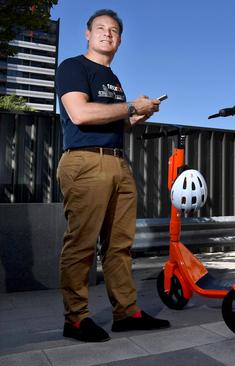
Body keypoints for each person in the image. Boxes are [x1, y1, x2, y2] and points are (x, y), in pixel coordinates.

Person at [55, 9, 169, 343]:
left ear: (120, 40)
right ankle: (75, 319)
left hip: (117, 162)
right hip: (85, 162)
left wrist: (139, 115)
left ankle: (126, 313)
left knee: (120, 246)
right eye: (101, 28)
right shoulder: (73, 67)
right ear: (87, 34)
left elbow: (113, 120)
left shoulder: (113, 79)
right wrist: (133, 106)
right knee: (82, 244)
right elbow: (80, 113)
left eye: (114, 30)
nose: (108, 33)